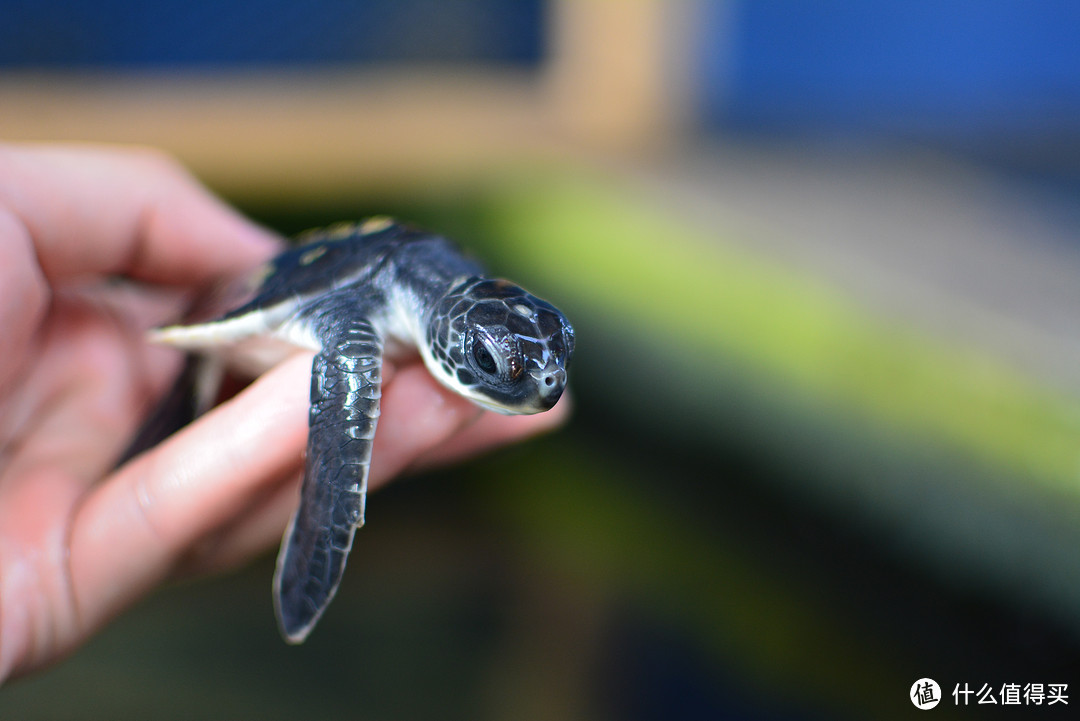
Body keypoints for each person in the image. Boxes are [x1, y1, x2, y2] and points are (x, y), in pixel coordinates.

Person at [0, 143, 568, 683]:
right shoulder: (355, 328)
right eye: (493, 363)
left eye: (554, 354)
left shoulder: (457, 275)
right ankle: (190, 389)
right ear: (450, 336)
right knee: (339, 379)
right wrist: (324, 531)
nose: (544, 385)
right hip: (274, 292)